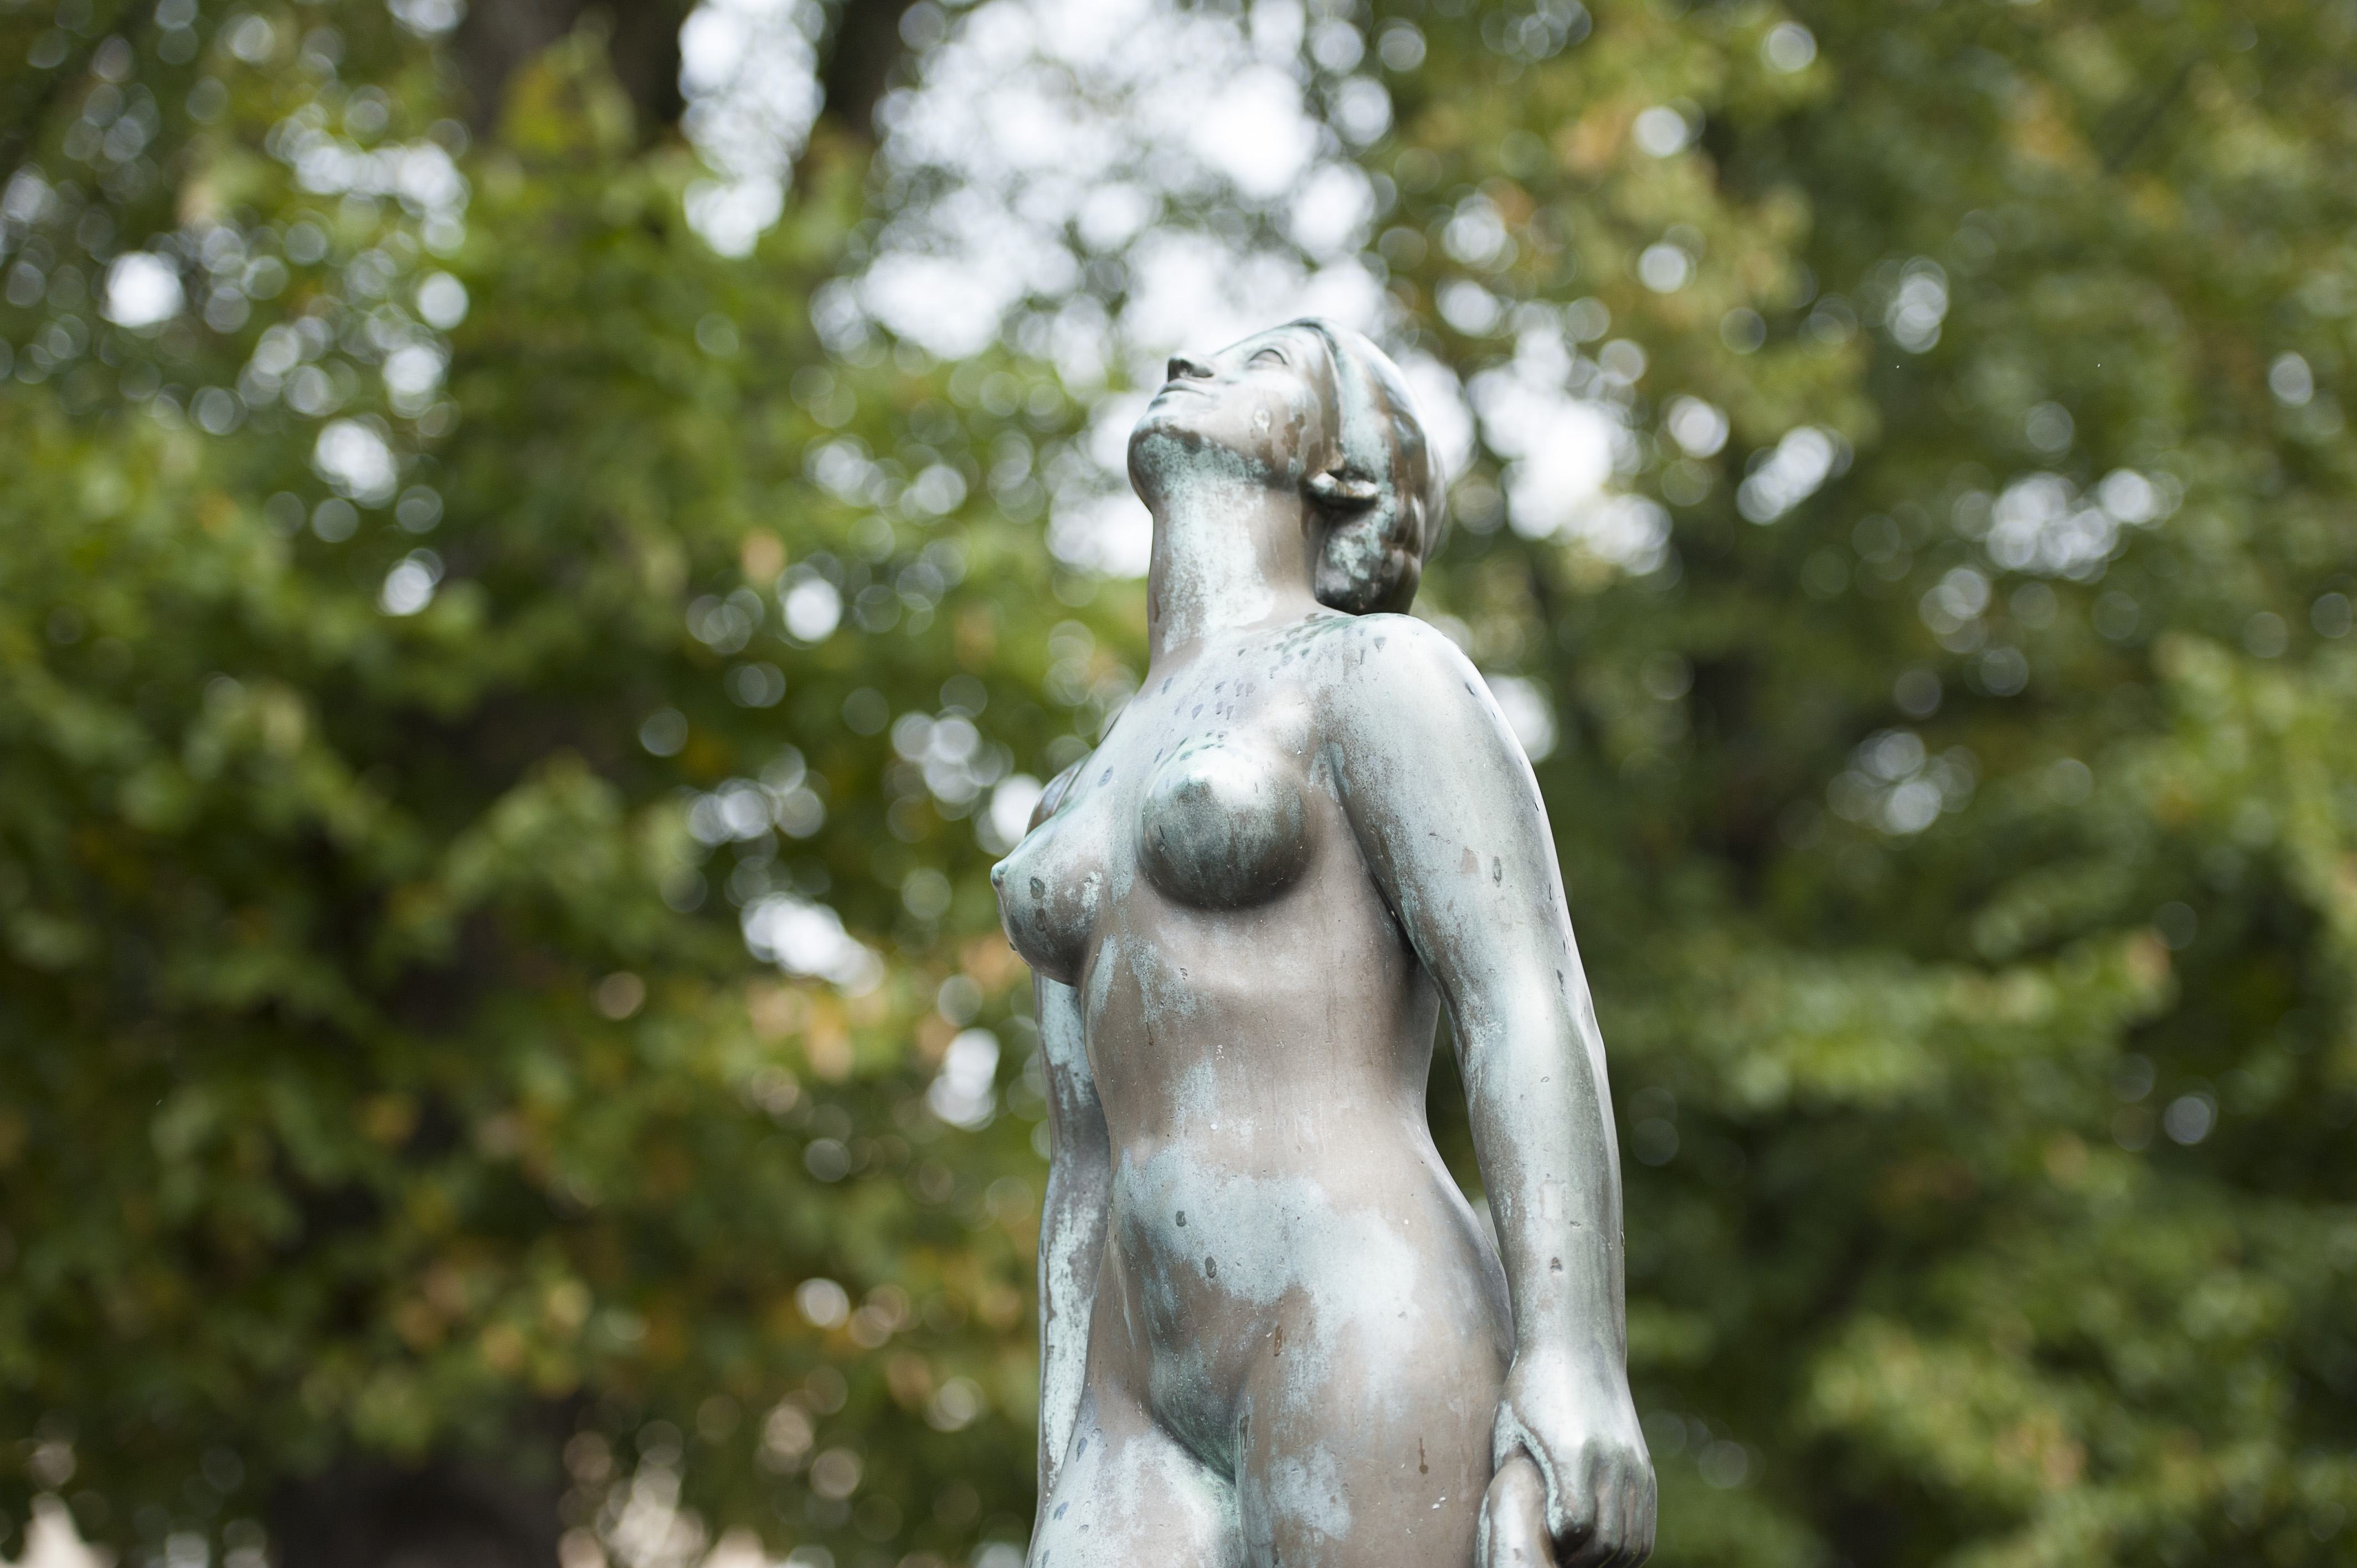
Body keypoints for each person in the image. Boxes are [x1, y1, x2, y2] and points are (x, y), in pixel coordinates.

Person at [991, 319, 1654, 1568]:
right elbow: (1081, 1154)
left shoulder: (1380, 675)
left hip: (1358, 1304)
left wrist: (1573, 1357)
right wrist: (1061, 1443)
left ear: (1343, 476)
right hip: (1136, 1380)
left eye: (1261, 366)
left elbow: (1521, 997)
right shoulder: (1073, 792)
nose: (1191, 364)